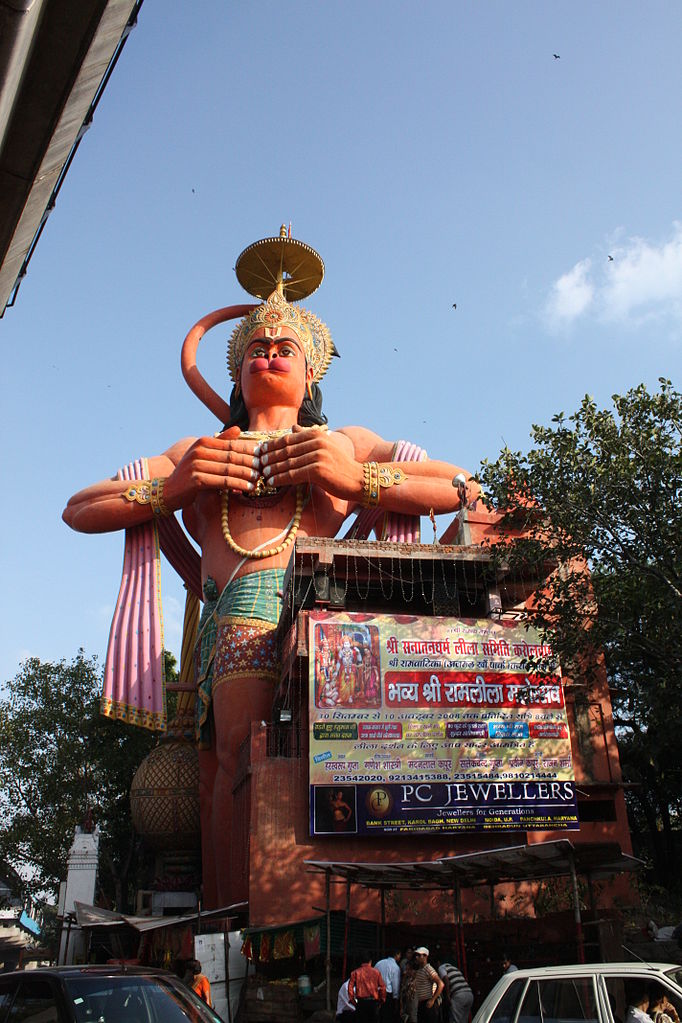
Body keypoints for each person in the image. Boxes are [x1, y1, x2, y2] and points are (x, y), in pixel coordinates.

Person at [62, 246, 474, 906]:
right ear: (236, 370)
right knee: (226, 767)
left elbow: (462, 486)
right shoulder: (201, 451)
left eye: (285, 346)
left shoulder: (341, 441)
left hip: (308, 606)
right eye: (257, 345)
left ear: (312, 374)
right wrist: (173, 488)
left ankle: (283, 909)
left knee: (279, 763)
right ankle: (231, 918)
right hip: (231, 616)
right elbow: (79, 508)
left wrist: (355, 476)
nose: (269, 353)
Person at [348, 953, 387, 1023]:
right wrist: (382, 1000)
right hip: (373, 1003)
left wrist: (353, 1001)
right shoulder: (376, 972)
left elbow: (350, 988)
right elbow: (382, 988)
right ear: (370, 961)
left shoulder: (355, 973)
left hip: (361, 1003)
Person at [412, 947, 444, 1023]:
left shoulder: (428, 969)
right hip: (422, 1003)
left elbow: (441, 984)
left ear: (425, 956)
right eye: (417, 955)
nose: (417, 957)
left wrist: (432, 1000)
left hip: (427, 1003)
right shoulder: (420, 970)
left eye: (419, 955)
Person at [438, 956, 473, 1023]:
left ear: (438, 963)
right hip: (469, 994)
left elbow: (446, 979)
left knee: (455, 1020)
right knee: (464, 1020)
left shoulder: (441, 967)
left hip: (459, 995)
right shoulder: (454, 968)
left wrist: (447, 996)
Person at [374, 949, 402, 1023]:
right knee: (387, 1017)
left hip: (377, 993)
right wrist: (396, 999)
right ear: (397, 954)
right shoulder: (395, 967)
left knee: (378, 1016)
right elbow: (395, 985)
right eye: (400, 955)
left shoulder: (379, 963)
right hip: (387, 995)